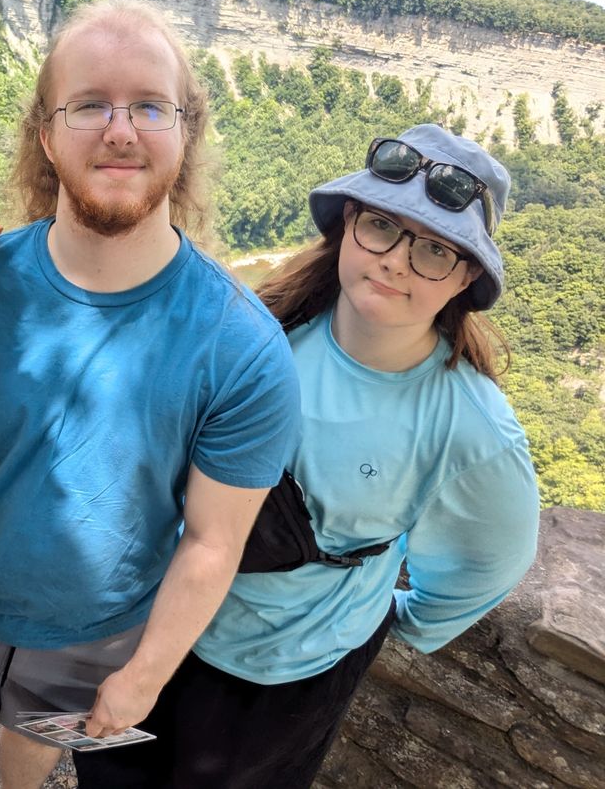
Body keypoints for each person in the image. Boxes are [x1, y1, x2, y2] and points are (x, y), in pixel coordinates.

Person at [0, 0, 302, 789]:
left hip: (97, 628)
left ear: (187, 129)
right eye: (90, 105)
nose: (120, 129)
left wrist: (145, 674)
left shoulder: (243, 350)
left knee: (37, 740)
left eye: (149, 104)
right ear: (45, 132)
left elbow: (215, 541)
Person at [73, 124, 541, 788]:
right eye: (382, 226)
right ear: (349, 224)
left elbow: (491, 561)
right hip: (159, 617)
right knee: (113, 771)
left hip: (285, 670)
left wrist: (407, 621)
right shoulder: (261, 324)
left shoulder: (470, 428)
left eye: (435, 249)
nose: (397, 261)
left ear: (465, 275)